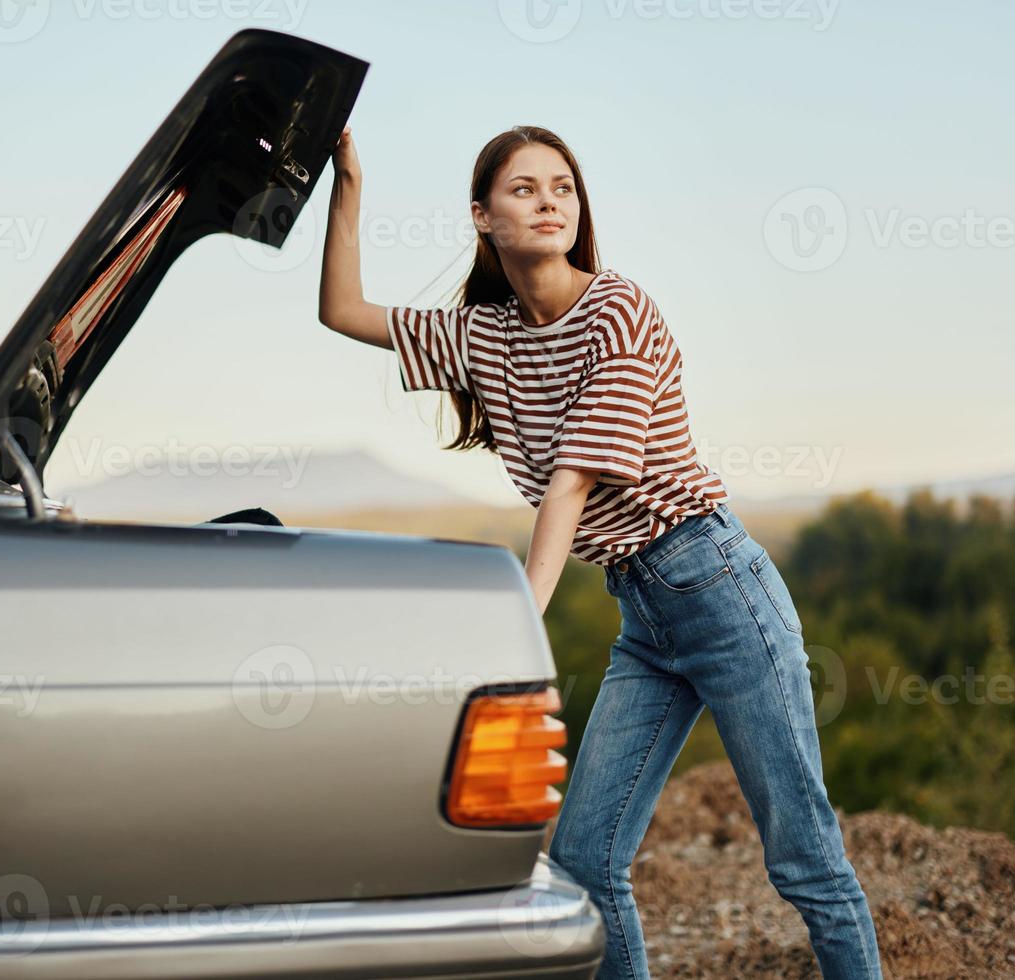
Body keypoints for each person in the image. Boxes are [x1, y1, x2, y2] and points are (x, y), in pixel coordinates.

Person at [317, 123, 884, 980]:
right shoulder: (484, 336)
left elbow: (570, 488)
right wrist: (349, 181)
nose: (548, 201)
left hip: (720, 591)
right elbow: (342, 311)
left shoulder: (618, 310)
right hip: (647, 617)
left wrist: (513, 628)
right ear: (481, 216)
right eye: (523, 189)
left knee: (803, 863)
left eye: (562, 188)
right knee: (583, 863)